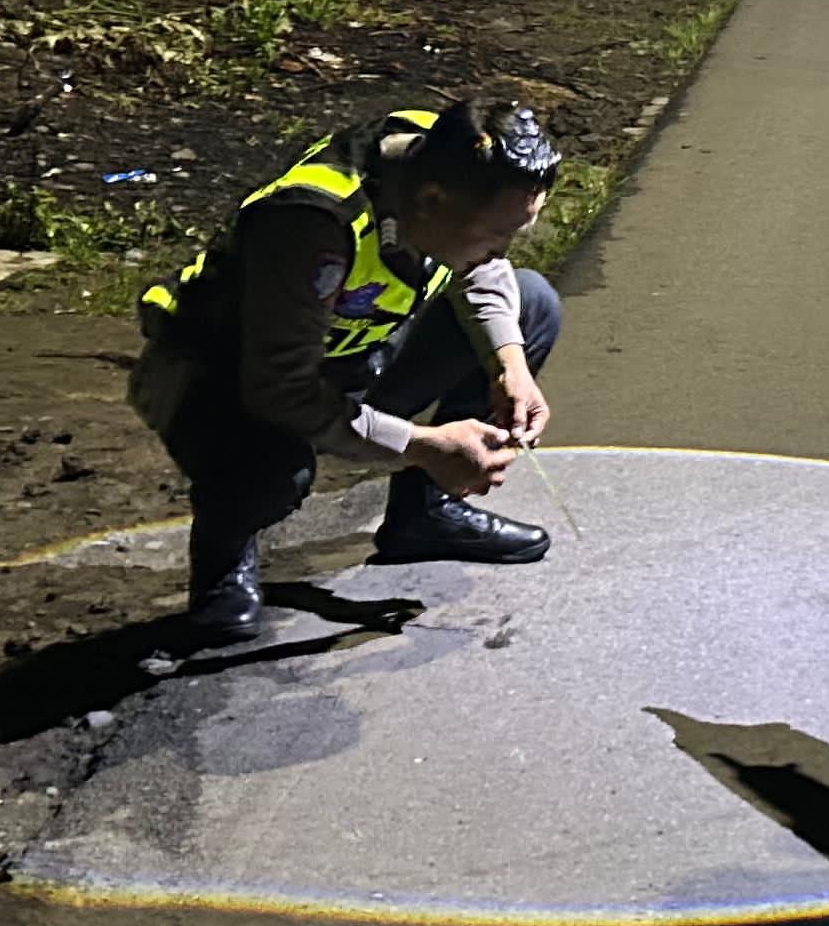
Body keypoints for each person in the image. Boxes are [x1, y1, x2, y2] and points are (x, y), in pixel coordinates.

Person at [128, 101, 567, 665]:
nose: (502, 252)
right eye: (498, 234)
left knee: (530, 306)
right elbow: (281, 388)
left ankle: (425, 517)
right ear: (431, 202)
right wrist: (422, 446)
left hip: (353, 352)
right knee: (272, 472)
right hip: (227, 380)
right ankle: (224, 553)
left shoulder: (446, 165)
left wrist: (510, 365)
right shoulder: (310, 226)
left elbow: (479, 268)